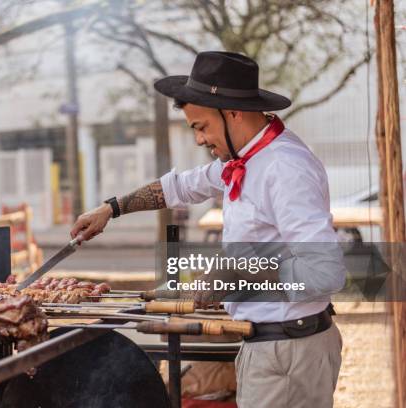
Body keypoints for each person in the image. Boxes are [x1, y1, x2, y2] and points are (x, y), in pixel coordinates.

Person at [70, 51, 346, 407]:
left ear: (233, 112)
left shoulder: (284, 168)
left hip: (288, 352)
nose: (199, 139)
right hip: (270, 346)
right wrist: (112, 208)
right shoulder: (246, 158)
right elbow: (181, 187)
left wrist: (235, 273)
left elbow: (326, 272)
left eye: (201, 127)